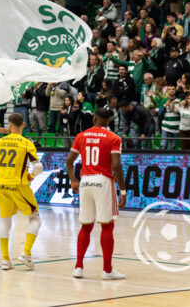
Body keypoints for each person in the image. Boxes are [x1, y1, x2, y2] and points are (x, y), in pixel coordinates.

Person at [66, 107, 127, 280]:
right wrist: (122, 190)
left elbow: (69, 161)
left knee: (86, 226)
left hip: (85, 181)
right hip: (103, 181)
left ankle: (78, 267)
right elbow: (116, 166)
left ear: (94, 118)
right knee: (107, 225)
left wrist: (73, 179)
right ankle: (107, 270)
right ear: (108, 121)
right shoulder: (114, 138)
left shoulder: (81, 136)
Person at [0, 113, 42, 271]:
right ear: (24, 125)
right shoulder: (26, 143)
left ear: (9, 126)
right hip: (18, 185)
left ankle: (5, 261)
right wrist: (31, 175)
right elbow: (39, 167)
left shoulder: (0, 142)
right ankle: (26, 253)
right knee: (35, 219)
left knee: (4, 221)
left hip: (2, 185)